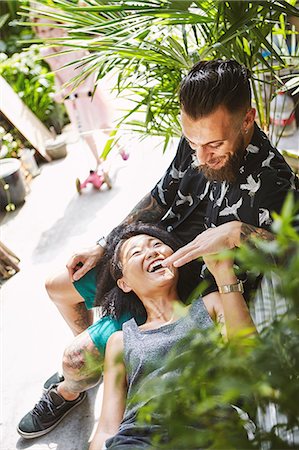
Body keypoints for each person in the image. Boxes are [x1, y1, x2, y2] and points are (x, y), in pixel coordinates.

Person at [17, 59, 299, 439]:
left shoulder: (275, 182)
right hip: (148, 256)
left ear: (247, 119)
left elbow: (288, 253)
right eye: (193, 143)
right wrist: (108, 245)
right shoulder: (198, 141)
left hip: (182, 297)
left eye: (214, 145)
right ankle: (99, 369)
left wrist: (240, 231)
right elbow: (160, 197)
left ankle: (73, 386)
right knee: (58, 284)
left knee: (76, 358)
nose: (201, 157)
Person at [87, 222, 256, 450]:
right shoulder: (120, 341)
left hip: (209, 422)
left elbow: (248, 354)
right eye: (136, 252)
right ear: (124, 283)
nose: (152, 252)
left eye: (157, 244)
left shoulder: (211, 304)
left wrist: (223, 273)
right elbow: (107, 426)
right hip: (137, 437)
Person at [34, 15, 128, 171]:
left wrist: (87, 87)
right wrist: (59, 91)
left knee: (103, 124)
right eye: (43, 31)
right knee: (85, 130)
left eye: (51, 29)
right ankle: (98, 161)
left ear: (61, 26)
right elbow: (57, 74)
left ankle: (119, 145)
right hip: (72, 97)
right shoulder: (47, 52)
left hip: (88, 92)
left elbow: (90, 68)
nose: (48, 34)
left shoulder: (74, 45)